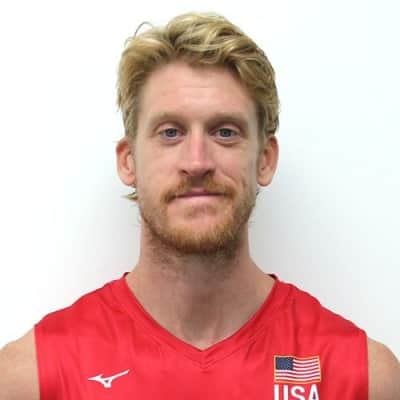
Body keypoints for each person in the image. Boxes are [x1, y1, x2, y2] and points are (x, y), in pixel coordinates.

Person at [1, 11, 399, 400]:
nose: (197, 162)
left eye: (225, 132)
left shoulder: (360, 377)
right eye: (170, 132)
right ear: (128, 161)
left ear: (265, 159)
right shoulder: (33, 378)